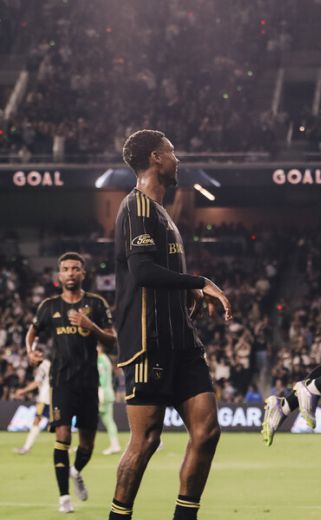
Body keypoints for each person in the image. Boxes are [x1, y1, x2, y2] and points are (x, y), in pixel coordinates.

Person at [108, 129, 232, 520]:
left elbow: (160, 273)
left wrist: (186, 294)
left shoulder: (161, 212)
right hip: (149, 341)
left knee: (207, 431)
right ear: (155, 158)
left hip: (182, 340)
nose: (177, 159)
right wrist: (198, 282)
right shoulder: (137, 207)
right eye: (172, 152)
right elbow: (143, 271)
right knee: (145, 441)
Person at [26, 252, 116, 513]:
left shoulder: (96, 304)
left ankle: (75, 471)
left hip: (88, 383)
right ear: (59, 274)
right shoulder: (49, 306)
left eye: (75, 268)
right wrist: (30, 352)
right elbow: (32, 332)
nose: (70, 273)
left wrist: (91, 326)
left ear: (83, 273)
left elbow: (112, 340)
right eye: (65, 269)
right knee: (63, 436)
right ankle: (64, 498)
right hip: (61, 381)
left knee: (87, 444)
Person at [13, 348, 51, 455]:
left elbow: (37, 382)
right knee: (57, 424)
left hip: (45, 399)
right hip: (53, 398)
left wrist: (23, 391)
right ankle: (65, 447)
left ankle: (26, 448)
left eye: (33, 356)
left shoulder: (43, 366)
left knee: (37, 420)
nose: (31, 359)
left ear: (39, 354)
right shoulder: (48, 364)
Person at [97, 343, 121, 455]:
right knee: (109, 421)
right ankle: (115, 445)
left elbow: (102, 378)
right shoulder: (106, 359)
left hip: (102, 393)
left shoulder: (101, 360)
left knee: (88, 418)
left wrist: (99, 392)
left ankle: (84, 444)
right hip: (108, 392)